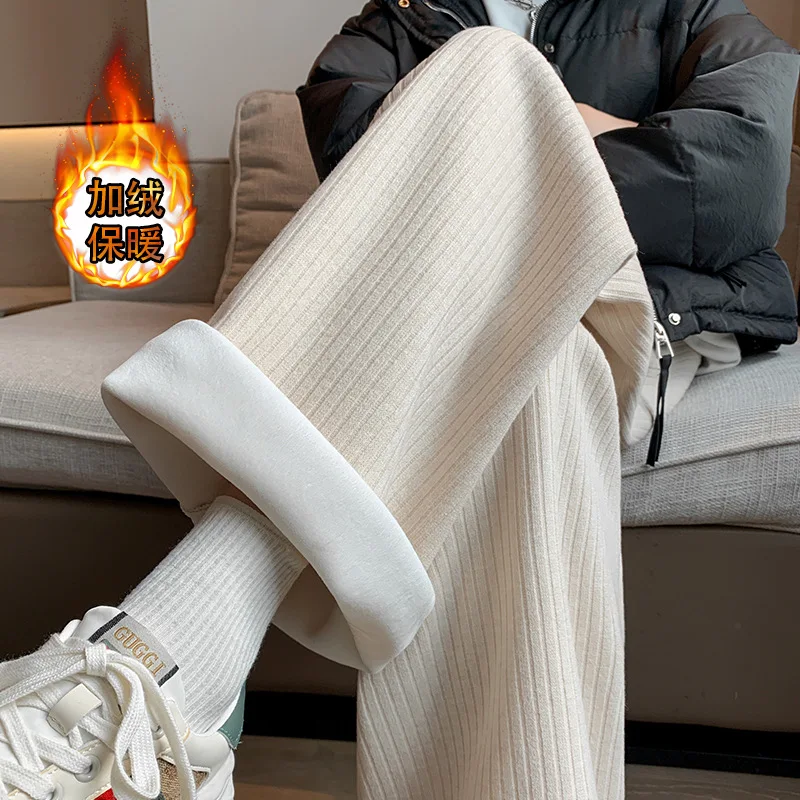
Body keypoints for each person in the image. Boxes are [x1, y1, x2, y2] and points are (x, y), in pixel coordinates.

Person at [0, 5, 796, 800]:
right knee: (537, 357)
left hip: (636, 308)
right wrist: (590, 132)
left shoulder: (689, 11)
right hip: (460, 321)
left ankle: (164, 656)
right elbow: (364, 174)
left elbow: (742, 180)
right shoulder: (391, 26)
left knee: (494, 72)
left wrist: (497, 131)